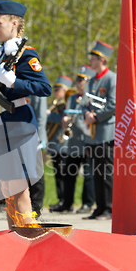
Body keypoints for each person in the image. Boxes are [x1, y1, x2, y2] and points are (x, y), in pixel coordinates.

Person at [0, 0, 52, 228]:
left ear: (14, 23)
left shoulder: (26, 55)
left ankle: (29, 239)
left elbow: (44, 88)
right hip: (2, 124)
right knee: (7, 189)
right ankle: (14, 237)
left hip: (20, 124)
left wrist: (15, 82)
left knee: (19, 188)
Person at [51, 65, 96, 214]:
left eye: (81, 80)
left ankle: (87, 203)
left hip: (87, 140)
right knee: (68, 174)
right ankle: (67, 203)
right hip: (73, 142)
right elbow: (66, 113)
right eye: (77, 80)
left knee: (89, 175)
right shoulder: (71, 98)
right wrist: (64, 119)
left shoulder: (91, 98)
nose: (78, 83)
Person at [82, 41, 116, 220]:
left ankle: (109, 208)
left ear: (102, 60)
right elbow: (84, 102)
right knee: (96, 172)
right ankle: (99, 206)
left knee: (106, 173)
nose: (91, 61)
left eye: (93, 58)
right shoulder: (92, 80)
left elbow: (113, 104)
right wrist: (86, 112)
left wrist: (96, 116)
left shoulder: (112, 78)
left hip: (106, 133)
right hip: (93, 135)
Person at [47, 75, 73, 212]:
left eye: (59, 89)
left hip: (63, 144)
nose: (56, 91)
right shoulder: (56, 103)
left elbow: (62, 119)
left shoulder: (66, 104)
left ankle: (64, 200)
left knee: (63, 174)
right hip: (54, 143)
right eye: (55, 89)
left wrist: (48, 114)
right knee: (57, 174)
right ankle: (60, 199)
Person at [28, 94, 48, 217]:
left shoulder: (36, 90)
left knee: (36, 174)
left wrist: (38, 138)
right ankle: (26, 207)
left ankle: (36, 207)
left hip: (34, 137)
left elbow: (41, 117)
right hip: (19, 136)